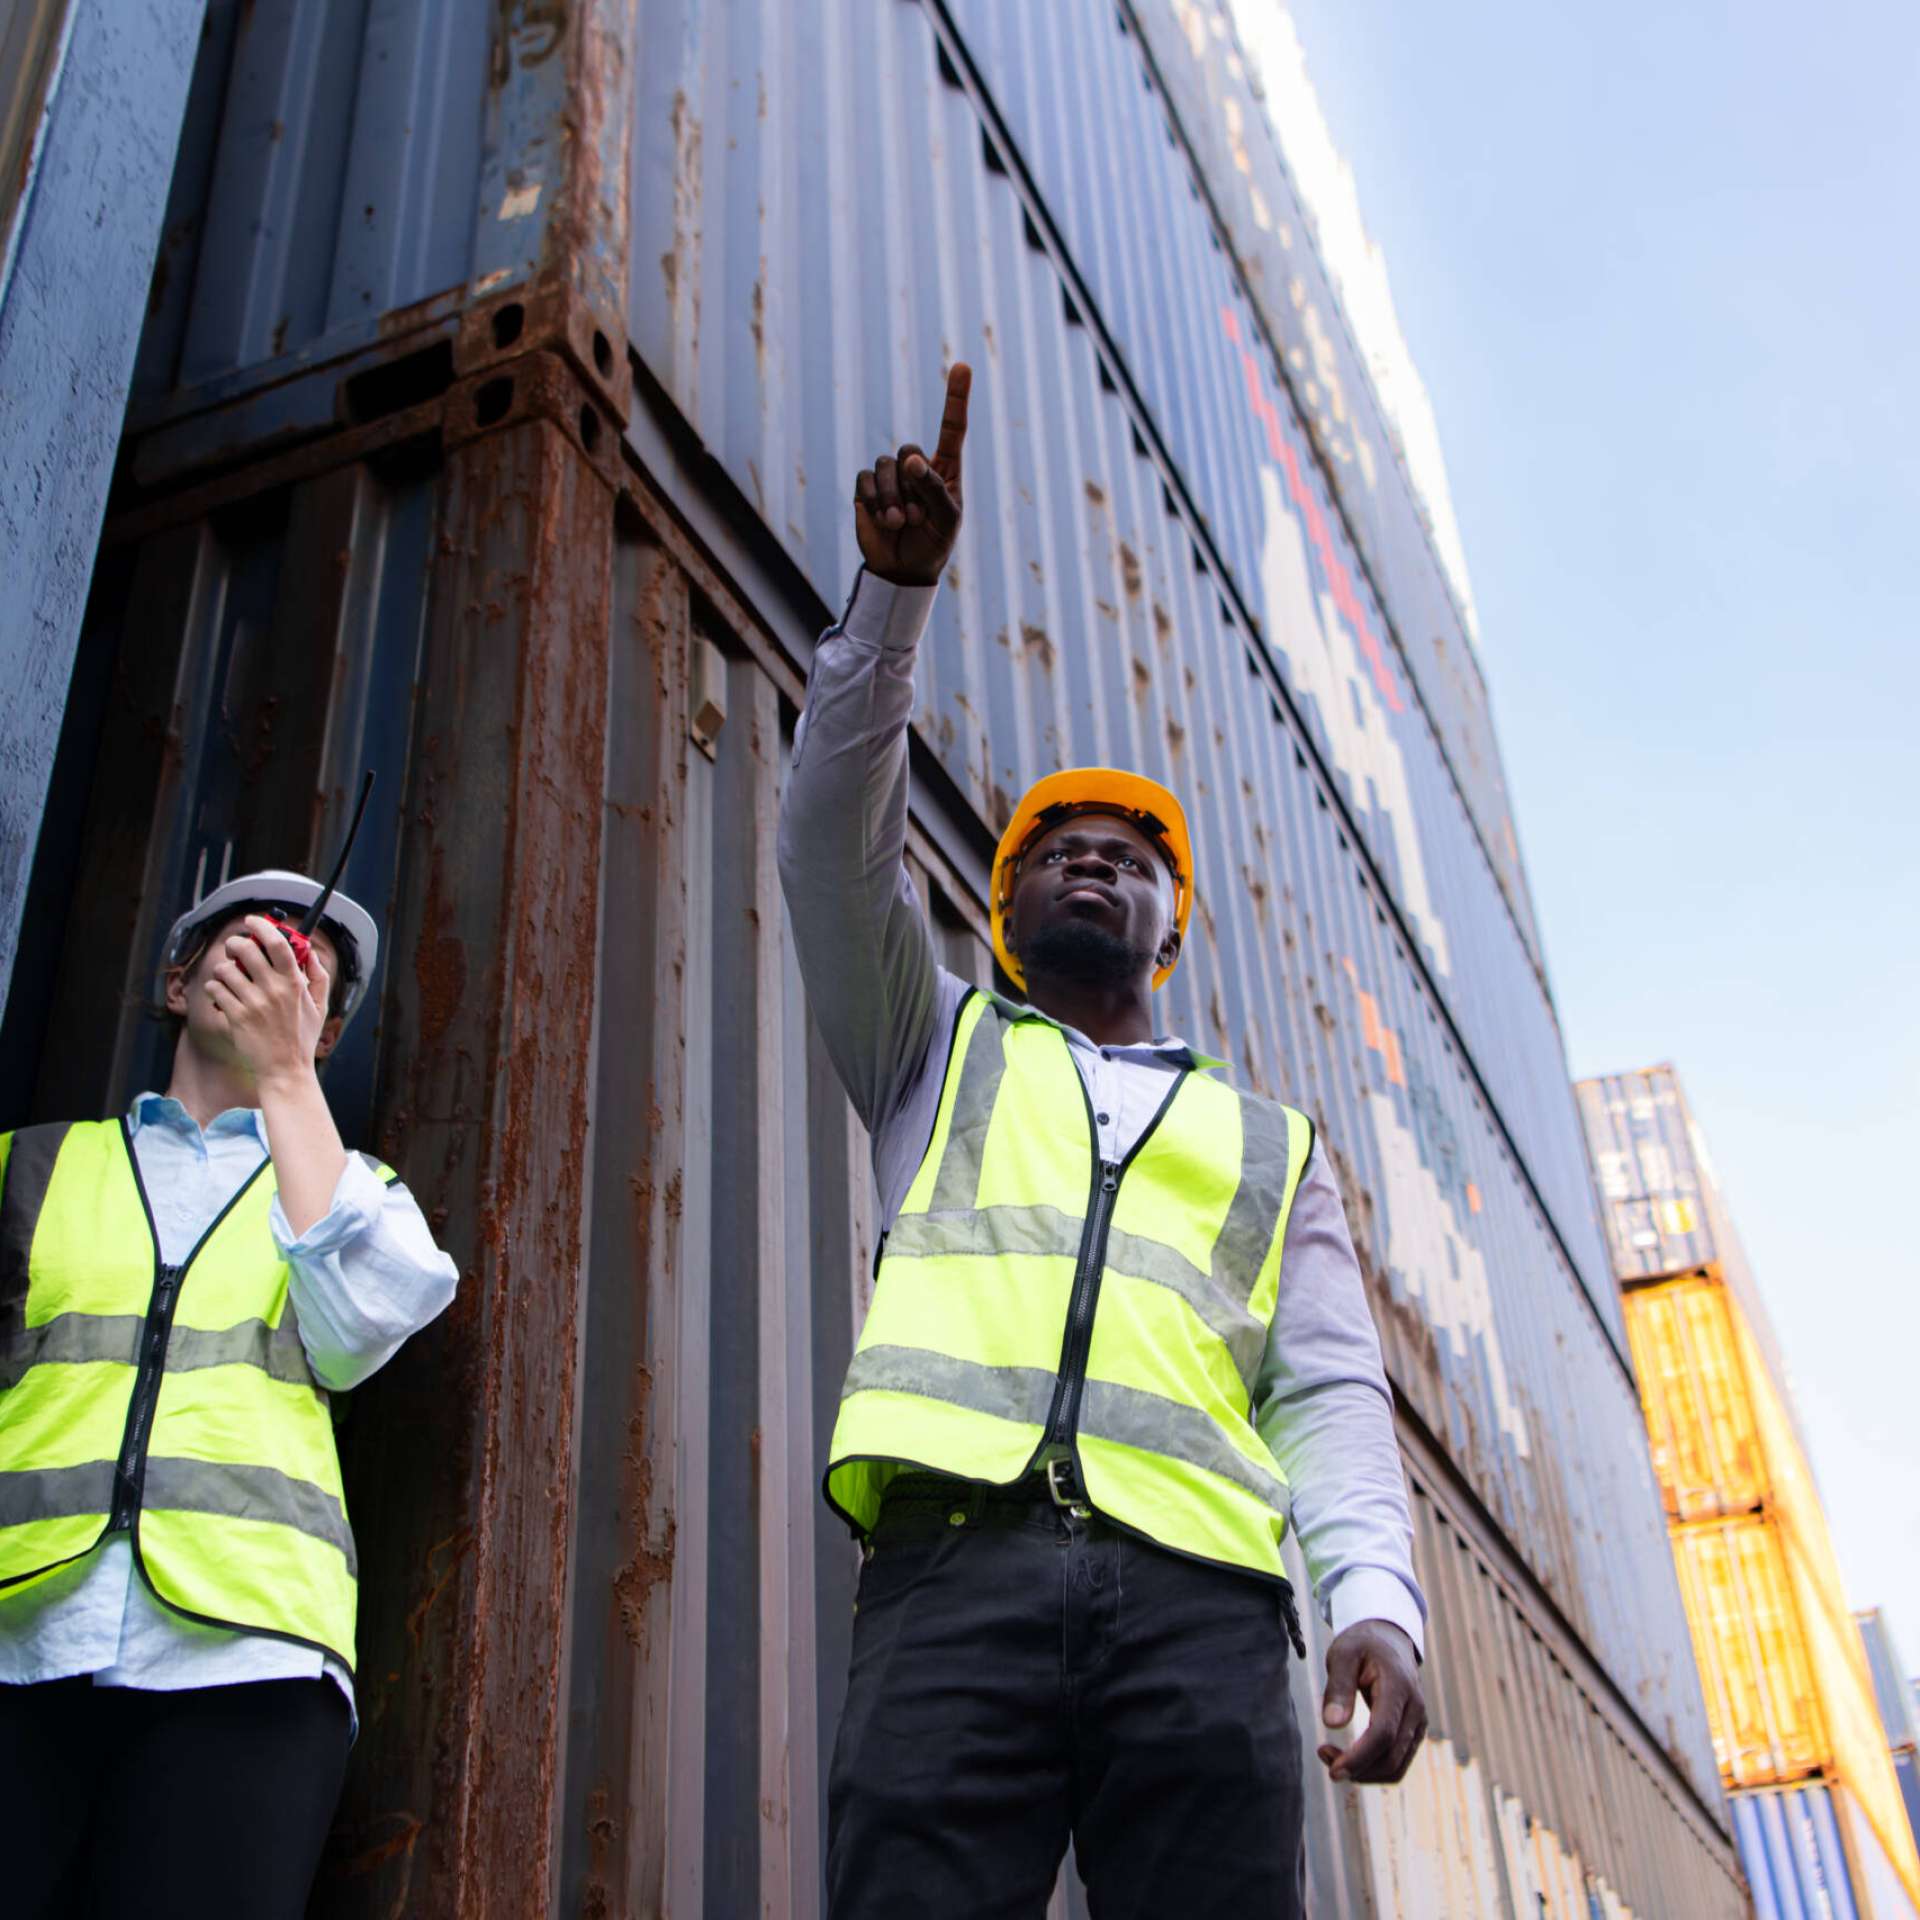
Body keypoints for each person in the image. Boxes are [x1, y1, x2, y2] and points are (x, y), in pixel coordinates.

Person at [780, 365, 1429, 1919]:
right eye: (1054, 851)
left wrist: (1378, 1602)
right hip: (953, 1578)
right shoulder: (929, 1044)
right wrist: (892, 602)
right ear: (998, 916)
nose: (1090, 863)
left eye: (1127, 855)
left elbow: (1328, 1388)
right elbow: (825, 834)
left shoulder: (1274, 1145)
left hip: (1201, 1614)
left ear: (1170, 920)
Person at [0, 867, 458, 1919]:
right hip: (20, 1640)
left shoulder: (363, 1194)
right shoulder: (33, 1169)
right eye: (252, 939)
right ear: (176, 980)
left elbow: (356, 1336)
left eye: (311, 970)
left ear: (324, 1034)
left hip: (246, 1667)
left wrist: (288, 1079)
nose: (282, 956)